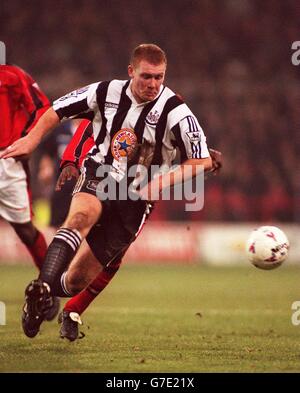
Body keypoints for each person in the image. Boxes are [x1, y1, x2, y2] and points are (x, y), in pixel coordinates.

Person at [0, 44, 213, 339]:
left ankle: (48, 295)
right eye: (146, 77)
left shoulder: (176, 111)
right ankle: (42, 289)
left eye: (159, 78)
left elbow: (201, 160)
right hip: (99, 173)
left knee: (76, 282)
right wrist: (32, 141)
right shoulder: (105, 91)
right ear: (131, 72)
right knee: (79, 217)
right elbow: (56, 110)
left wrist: (160, 182)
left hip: (135, 199)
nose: (153, 84)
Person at [0, 64, 60, 321]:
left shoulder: (11, 76)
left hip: (6, 160)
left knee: (25, 229)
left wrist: (27, 138)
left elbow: (42, 107)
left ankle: (49, 286)